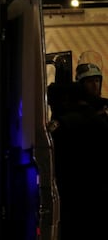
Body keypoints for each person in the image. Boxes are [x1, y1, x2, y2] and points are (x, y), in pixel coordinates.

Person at [48, 53, 108, 239]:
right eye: (90, 82)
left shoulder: (101, 112)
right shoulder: (71, 114)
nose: (95, 85)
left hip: (97, 188)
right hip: (74, 189)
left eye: (97, 81)